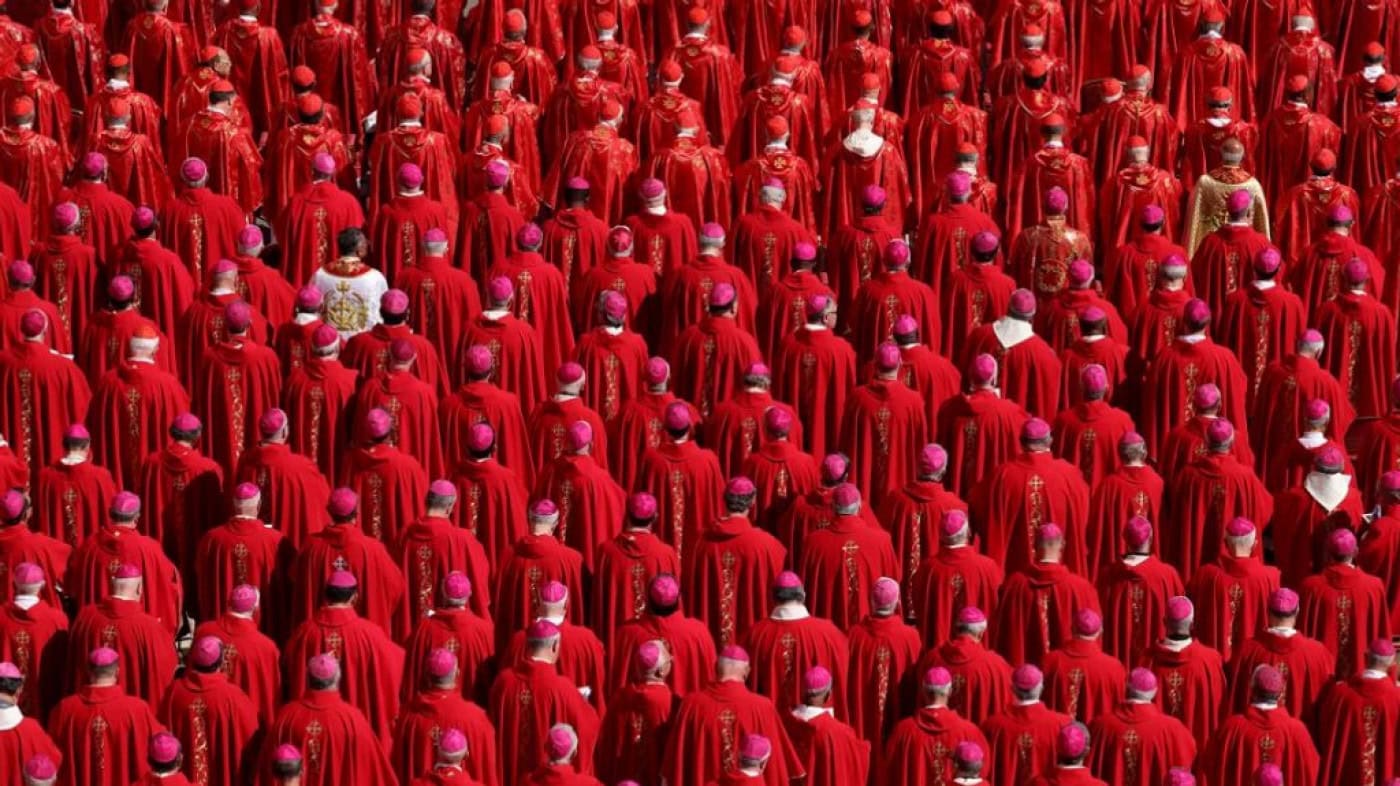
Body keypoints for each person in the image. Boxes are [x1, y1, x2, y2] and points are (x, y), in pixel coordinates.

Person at [659, 647, 802, 786]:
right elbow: (776, 768)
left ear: (716, 668)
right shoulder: (763, 707)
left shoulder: (691, 704)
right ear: (746, 672)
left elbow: (675, 763)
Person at [259, 653, 398, 786]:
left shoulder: (287, 716)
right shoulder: (354, 720)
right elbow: (373, 773)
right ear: (338, 679)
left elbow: (265, 770)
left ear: (307, 679)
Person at [47, 647, 162, 786]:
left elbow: (51, 754)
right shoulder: (137, 709)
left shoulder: (65, 709)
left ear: (88, 671)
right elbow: (162, 748)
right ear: (117, 671)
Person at [158, 637, 260, 786]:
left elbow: (162, 733)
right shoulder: (234, 697)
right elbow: (251, 739)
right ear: (220, 664)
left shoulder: (175, 692)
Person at [1199, 665, 1320, 786]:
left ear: (1252, 690)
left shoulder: (1231, 728)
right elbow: (1311, 772)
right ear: (1280, 694)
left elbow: (1209, 768)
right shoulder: (1298, 732)